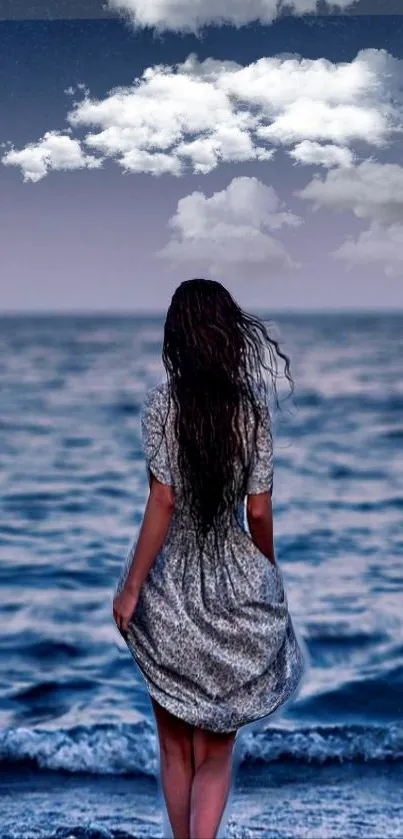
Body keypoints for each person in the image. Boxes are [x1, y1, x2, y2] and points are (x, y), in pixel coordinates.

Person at [112, 278, 305, 839]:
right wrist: (265, 578)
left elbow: (163, 501)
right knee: (216, 750)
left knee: (175, 748)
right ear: (227, 336)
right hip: (233, 587)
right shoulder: (251, 412)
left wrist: (130, 587)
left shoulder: (161, 407)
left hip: (169, 588)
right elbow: (261, 515)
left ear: (177, 339)